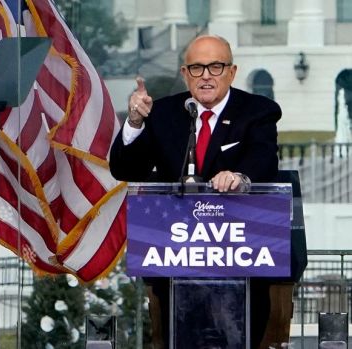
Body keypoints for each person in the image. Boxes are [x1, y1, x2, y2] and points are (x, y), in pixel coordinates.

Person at [110, 35, 289, 348]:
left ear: (232, 72)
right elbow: (126, 170)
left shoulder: (258, 111)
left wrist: (239, 176)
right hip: (177, 265)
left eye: (216, 66)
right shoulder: (163, 114)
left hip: (240, 266)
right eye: (197, 68)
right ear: (184, 73)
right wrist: (136, 121)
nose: (206, 75)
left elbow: (263, 158)